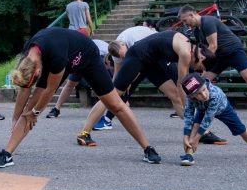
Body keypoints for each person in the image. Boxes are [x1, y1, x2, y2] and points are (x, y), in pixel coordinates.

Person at [0, 28, 162, 168]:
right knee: (27, 112)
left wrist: (35, 112)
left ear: (37, 71)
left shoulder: (55, 58)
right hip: (59, 57)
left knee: (116, 105)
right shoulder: (27, 58)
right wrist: (15, 119)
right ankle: (7, 154)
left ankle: (148, 148)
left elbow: (50, 90)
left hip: (86, 56)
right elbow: (24, 90)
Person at [75, 30, 210, 147]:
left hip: (152, 61)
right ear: (200, 55)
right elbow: (182, 83)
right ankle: (84, 133)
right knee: (112, 95)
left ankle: (197, 132)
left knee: (175, 95)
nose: (198, 69)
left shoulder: (186, 46)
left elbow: (181, 85)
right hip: (138, 56)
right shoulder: (186, 51)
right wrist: (124, 82)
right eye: (200, 67)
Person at [180, 5, 247, 121]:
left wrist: (203, 65)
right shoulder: (197, 32)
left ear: (191, 15)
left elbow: (213, 46)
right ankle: (197, 110)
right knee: (202, 81)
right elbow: (204, 51)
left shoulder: (207, 21)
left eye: (185, 20)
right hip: (219, 57)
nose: (185, 24)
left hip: (233, 51)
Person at [179, 73, 247, 165]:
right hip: (202, 109)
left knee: (241, 129)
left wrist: (197, 140)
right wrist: (185, 136)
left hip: (223, 109)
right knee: (195, 127)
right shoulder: (190, 99)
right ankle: (189, 155)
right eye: (198, 94)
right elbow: (188, 116)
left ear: (205, 84)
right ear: (191, 96)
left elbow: (208, 119)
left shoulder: (214, 94)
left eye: (204, 89)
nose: (203, 95)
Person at [44, 37, 115, 120]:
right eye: (108, 66)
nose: (108, 67)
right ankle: (56, 109)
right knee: (70, 84)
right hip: (83, 57)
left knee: (104, 87)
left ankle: (109, 110)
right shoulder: (102, 53)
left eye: (109, 67)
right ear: (108, 61)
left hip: (92, 57)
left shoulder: (112, 54)